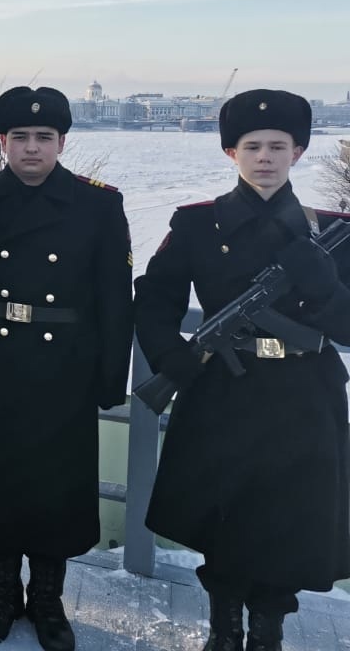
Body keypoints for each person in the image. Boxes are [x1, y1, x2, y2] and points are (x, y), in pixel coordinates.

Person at [135, 89, 350, 651]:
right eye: (252, 146)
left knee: (290, 519)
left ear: (298, 152)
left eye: (278, 146)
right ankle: (224, 630)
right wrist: (170, 355)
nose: (265, 158)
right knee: (223, 514)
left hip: (304, 395)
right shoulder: (196, 225)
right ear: (231, 152)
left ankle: (267, 633)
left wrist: (324, 285)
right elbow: (153, 300)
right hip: (222, 390)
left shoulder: (331, 231)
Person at [0, 86, 133, 651]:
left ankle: (47, 598)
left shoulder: (98, 205)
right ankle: (3, 592)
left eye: (44, 137)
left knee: (53, 488)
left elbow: (115, 298)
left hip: (64, 368)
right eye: (19, 136)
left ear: (62, 142)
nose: (31, 147)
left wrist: (109, 379)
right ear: (2, 141)